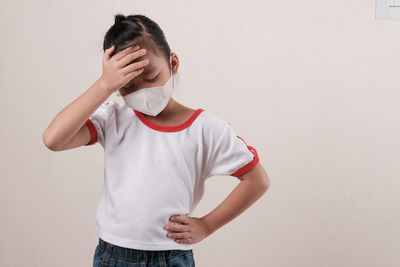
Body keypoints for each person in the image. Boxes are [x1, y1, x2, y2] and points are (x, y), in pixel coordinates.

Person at [42, 13, 270, 267]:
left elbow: (257, 179)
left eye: (150, 77)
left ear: (173, 63)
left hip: (170, 257)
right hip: (111, 255)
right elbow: (54, 139)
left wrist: (207, 225)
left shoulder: (206, 129)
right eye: (127, 85)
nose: (142, 92)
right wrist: (104, 85)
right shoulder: (112, 118)